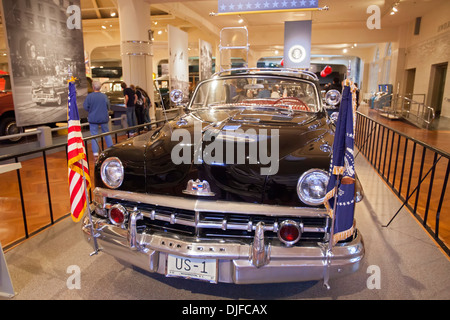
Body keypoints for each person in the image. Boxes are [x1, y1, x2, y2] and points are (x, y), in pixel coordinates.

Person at [83, 80, 114, 159]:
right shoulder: (104, 96)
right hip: (103, 118)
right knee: (107, 134)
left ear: (93, 87)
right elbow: (108, 106)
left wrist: (91, 110)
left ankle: (96, 153)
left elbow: (85, 107)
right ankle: (110, 150)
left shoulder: (89, 97)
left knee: (94, 136)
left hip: (93, 118)